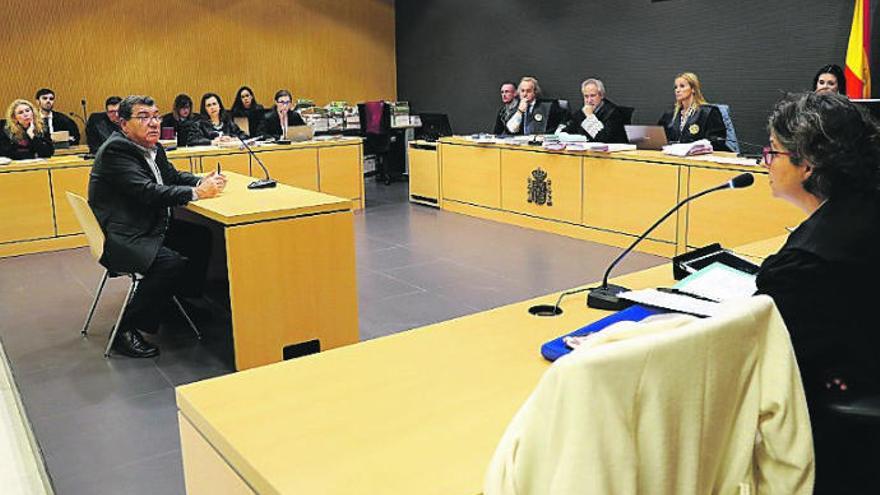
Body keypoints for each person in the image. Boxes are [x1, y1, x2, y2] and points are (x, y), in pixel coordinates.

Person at [757, 91, 880, 492]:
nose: (765, 162)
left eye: (772, 151)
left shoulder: (804, 267)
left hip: (837, 447)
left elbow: (769, 364)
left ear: (806, 164)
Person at [88, 95, 227, 358]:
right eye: (143, 117)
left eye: (156, 116)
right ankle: (124, 331)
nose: (153, 123)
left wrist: (201, 180)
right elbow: (149, 192)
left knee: (199, 237)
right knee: (168, 262)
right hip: (124, 234)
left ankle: (175, 302)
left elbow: (171, 177)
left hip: (144, 224)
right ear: (124, 124)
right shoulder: (117, 151)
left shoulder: (152, 147)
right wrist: (198, 193)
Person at [657, 72, 729, 151]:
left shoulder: (709, 112)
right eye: (676, 87)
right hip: (673, 156)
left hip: (699, 158)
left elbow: (717, 142)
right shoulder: (669, 114)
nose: (677, 90)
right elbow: (658, 138)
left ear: (693, 89)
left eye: (682, 86)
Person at [558, 78, 628, 143]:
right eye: (586, 96)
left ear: (601, 95)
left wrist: (590, 116)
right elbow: (565, 131)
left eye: (592, 96)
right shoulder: (581, 112)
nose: (589, 100)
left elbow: (603, 139)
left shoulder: (613, 113)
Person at [180, 93, 246, 146]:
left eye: (214, 104)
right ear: (205, 109)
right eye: (209, 105)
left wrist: (232, 139)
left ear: (219, 106)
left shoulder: (227, 122)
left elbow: (244, 135)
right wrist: (212, 142)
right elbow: (191, 141)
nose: (212, 107)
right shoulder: (199, 124)